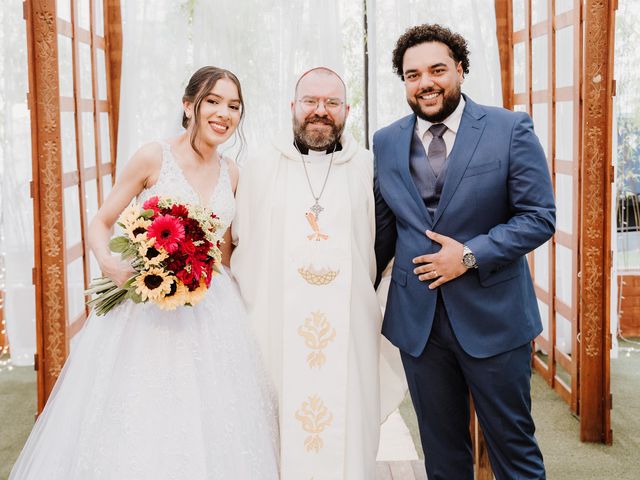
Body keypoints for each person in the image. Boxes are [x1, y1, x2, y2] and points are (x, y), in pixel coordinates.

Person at [10, 66, 279, 480]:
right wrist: (111, 266)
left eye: (234, 106)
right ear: (188, 106)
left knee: (213, 422)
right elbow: (101, 222)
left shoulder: (233, 173)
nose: (224, 113)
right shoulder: (154, 157)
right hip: (146, 308)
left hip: (212, 308)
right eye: (213, 101)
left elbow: (223, 253)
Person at [373, 24, 555, 480]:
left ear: (460, 69)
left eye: (437, 70)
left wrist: (469, 255)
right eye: (413, 75)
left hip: (495, 317)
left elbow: (539, 217)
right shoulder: (386, 141)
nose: (426, 82)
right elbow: (381, 230)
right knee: (442, 454)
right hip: (420, 325)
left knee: (513, 448)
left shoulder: (510, 128)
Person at [232, 67, 397, 479]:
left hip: (350, 328)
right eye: (310, 101)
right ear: (293, 106)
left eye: (331, 103)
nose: (320, 111)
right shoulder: (259, 167)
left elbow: (385, 244)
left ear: (346, 109)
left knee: (349, 424)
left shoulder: (368, 167)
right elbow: (241, 243)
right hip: (275, 323)